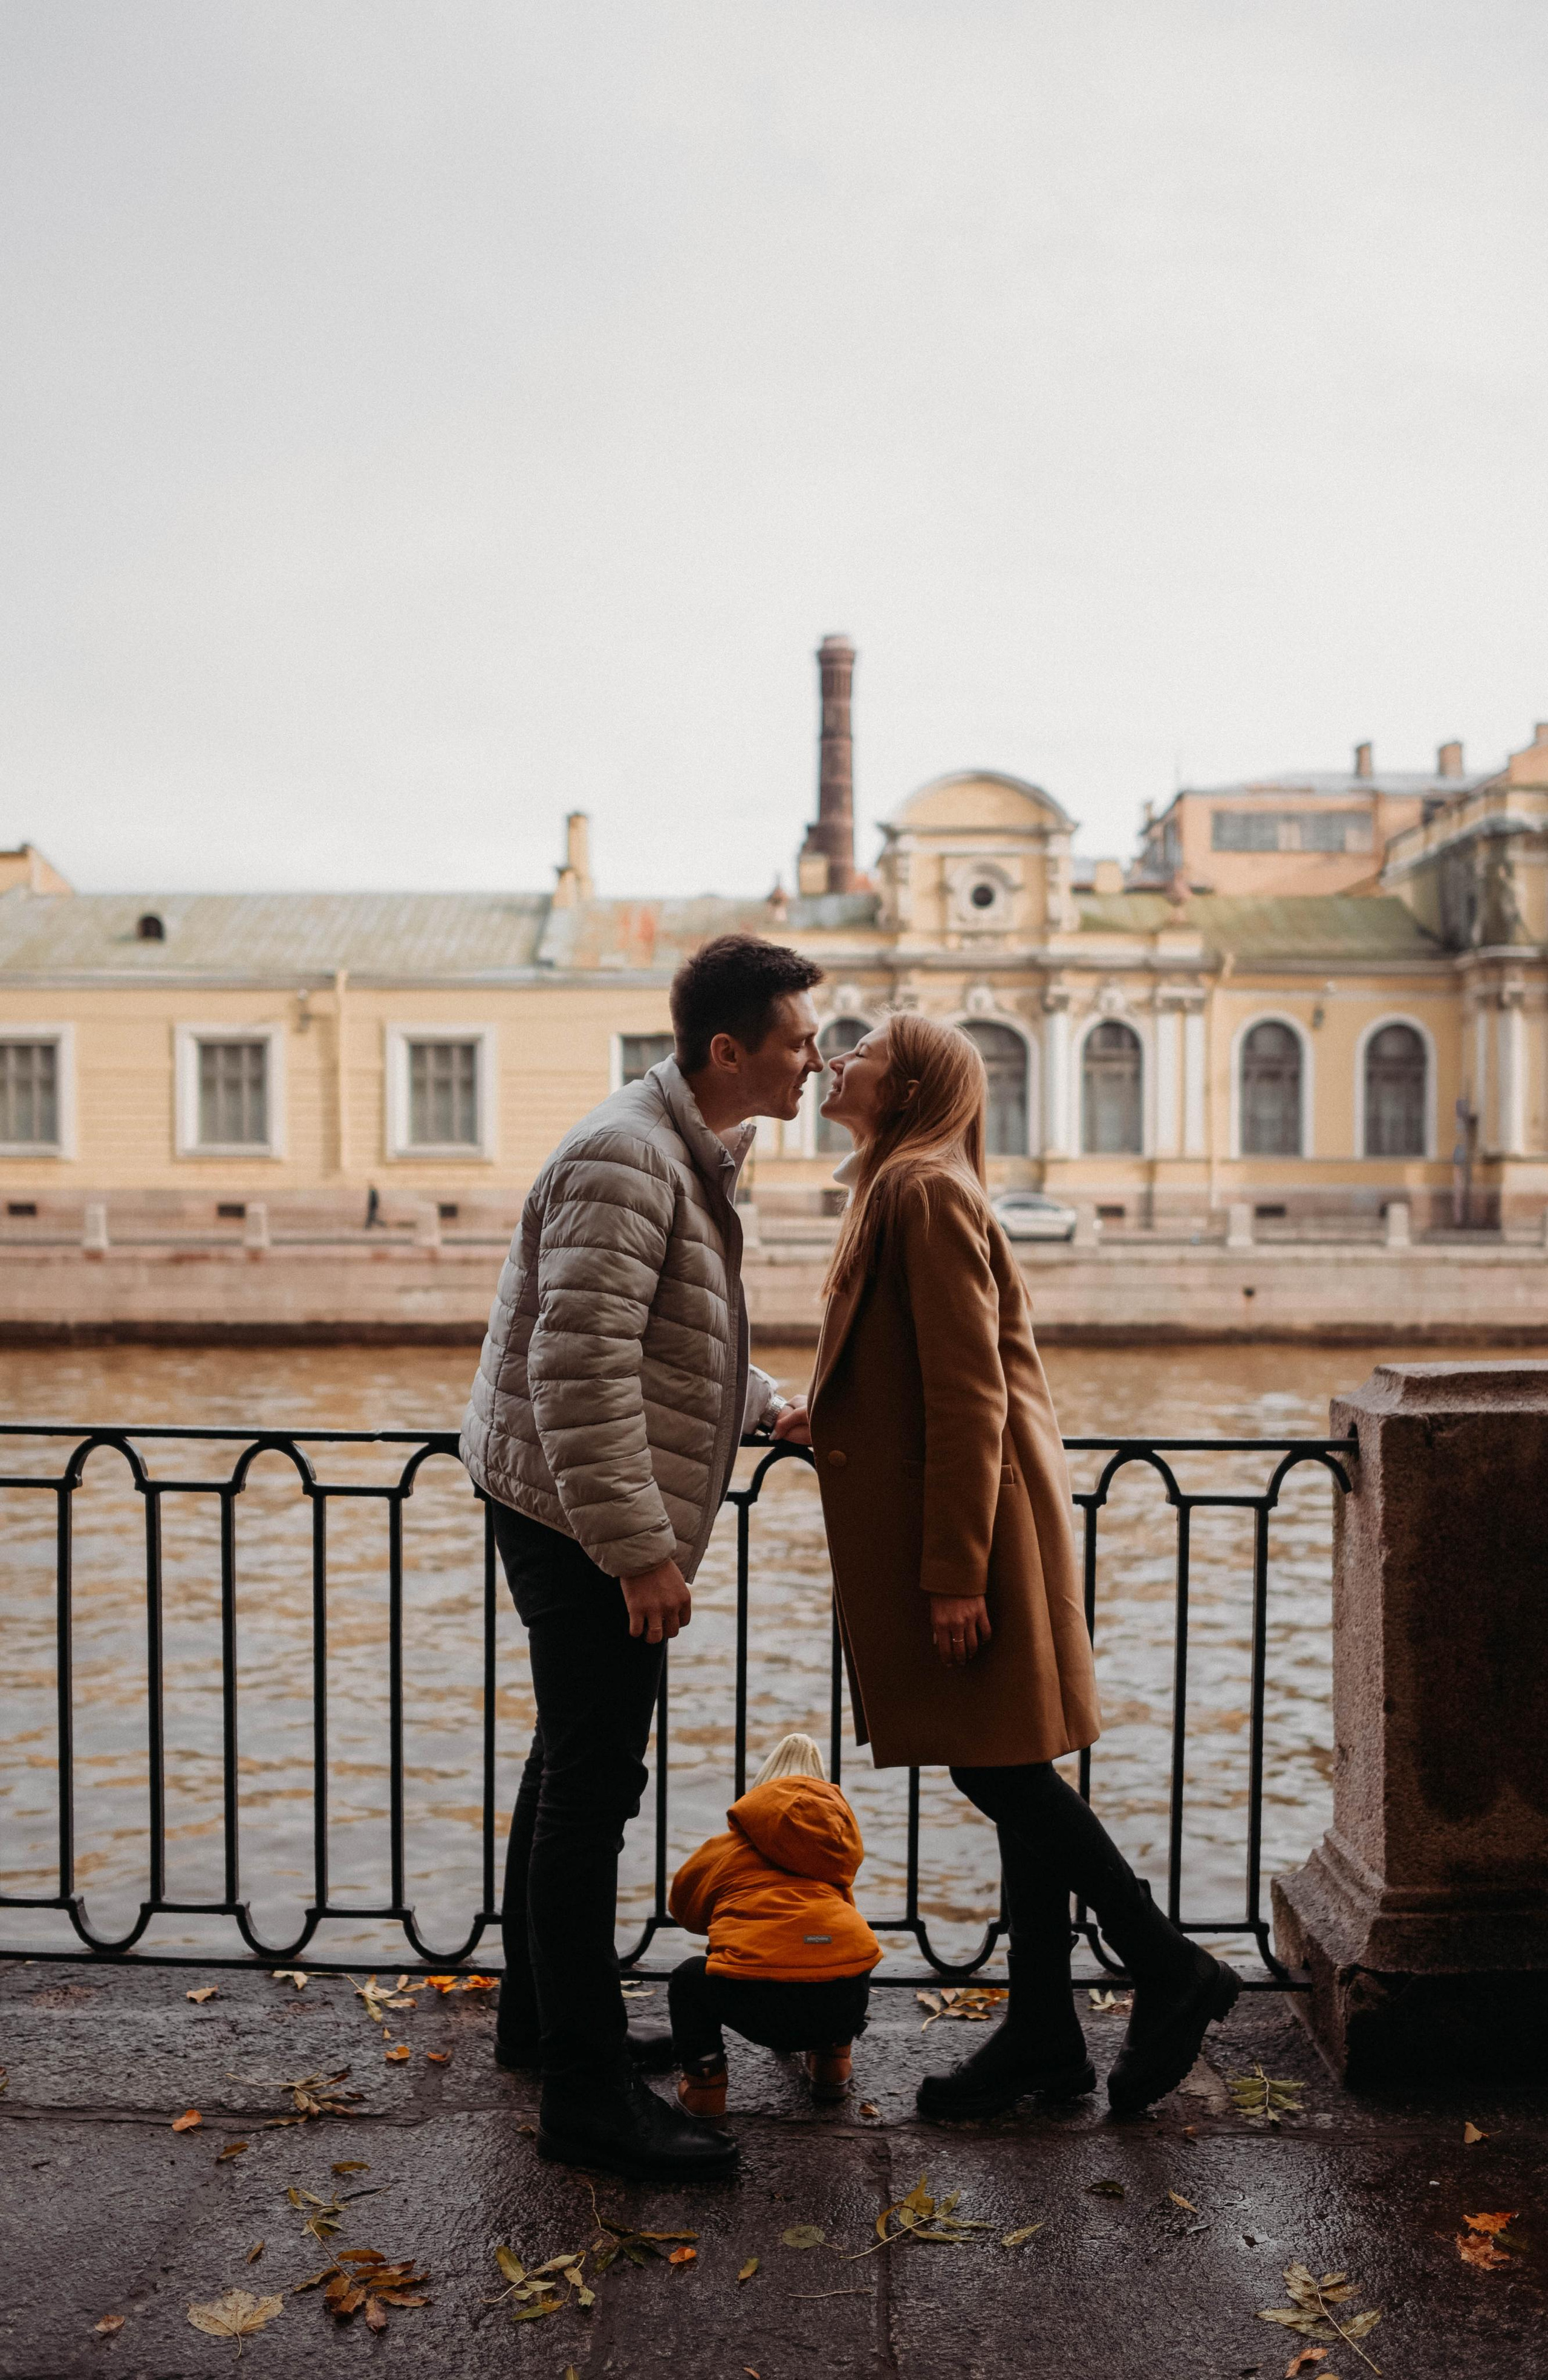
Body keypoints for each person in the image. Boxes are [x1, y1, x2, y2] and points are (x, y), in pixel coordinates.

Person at [773, 1012, 1239, 2120]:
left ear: (906, 1087)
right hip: (992, 1515)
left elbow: (969, 1390)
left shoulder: (922, 1189)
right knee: (1008, 1754)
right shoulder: (906, 1182)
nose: (838, 1059)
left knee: (996, 1768)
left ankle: (1168, 1962)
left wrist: (955, 1572)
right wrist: (829, 1414)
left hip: (983, 1529)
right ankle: (1045, 2032)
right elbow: (919, 1366)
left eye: (863, 1050)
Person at [461, 934, 825, 2181]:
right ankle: (585, 2095)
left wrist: (763, 1403)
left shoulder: (675, 1143)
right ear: (729, 1049)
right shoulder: (628, 1155)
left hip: (566, 1498)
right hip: (574, 1515)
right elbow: (580, 1373)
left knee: (570, 1765)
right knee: (595, 1787)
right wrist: (637, 1553)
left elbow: (668, 1334)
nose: (813, 1060)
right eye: (796, 1041)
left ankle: (546, 2023)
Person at [667, 1732, 880, 2116]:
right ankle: (832, 2065)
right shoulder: (835, 1854)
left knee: (688, 1978)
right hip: (839, 2009)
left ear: (758, 1801)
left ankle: (705, 2090)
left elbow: (685, 1911)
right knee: (844, 1947)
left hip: (758, 2008)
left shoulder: (727, 1850)